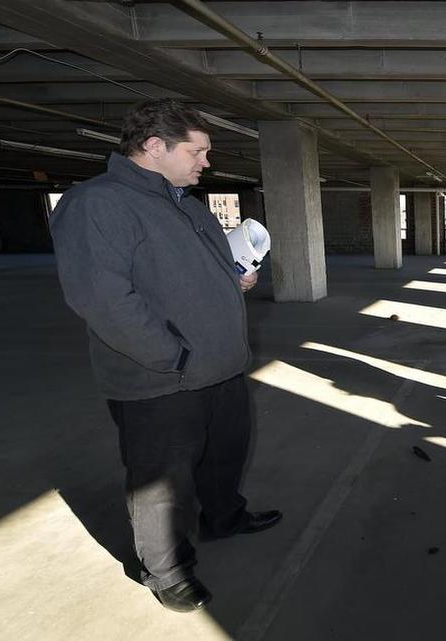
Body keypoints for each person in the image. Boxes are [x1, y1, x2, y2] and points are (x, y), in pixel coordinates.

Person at [49, 98, 281, 612]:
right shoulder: (98, 203)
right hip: (161, 379)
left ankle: (224, 518)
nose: (206, 162)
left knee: (224, 455)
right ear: (155, 146)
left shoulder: (187, 205)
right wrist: (171, 357)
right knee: (161, 481)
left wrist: (234, 281)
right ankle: (167, 570)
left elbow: (183, 276)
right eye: (197, 152)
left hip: (220, 368)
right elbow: (102, 298)